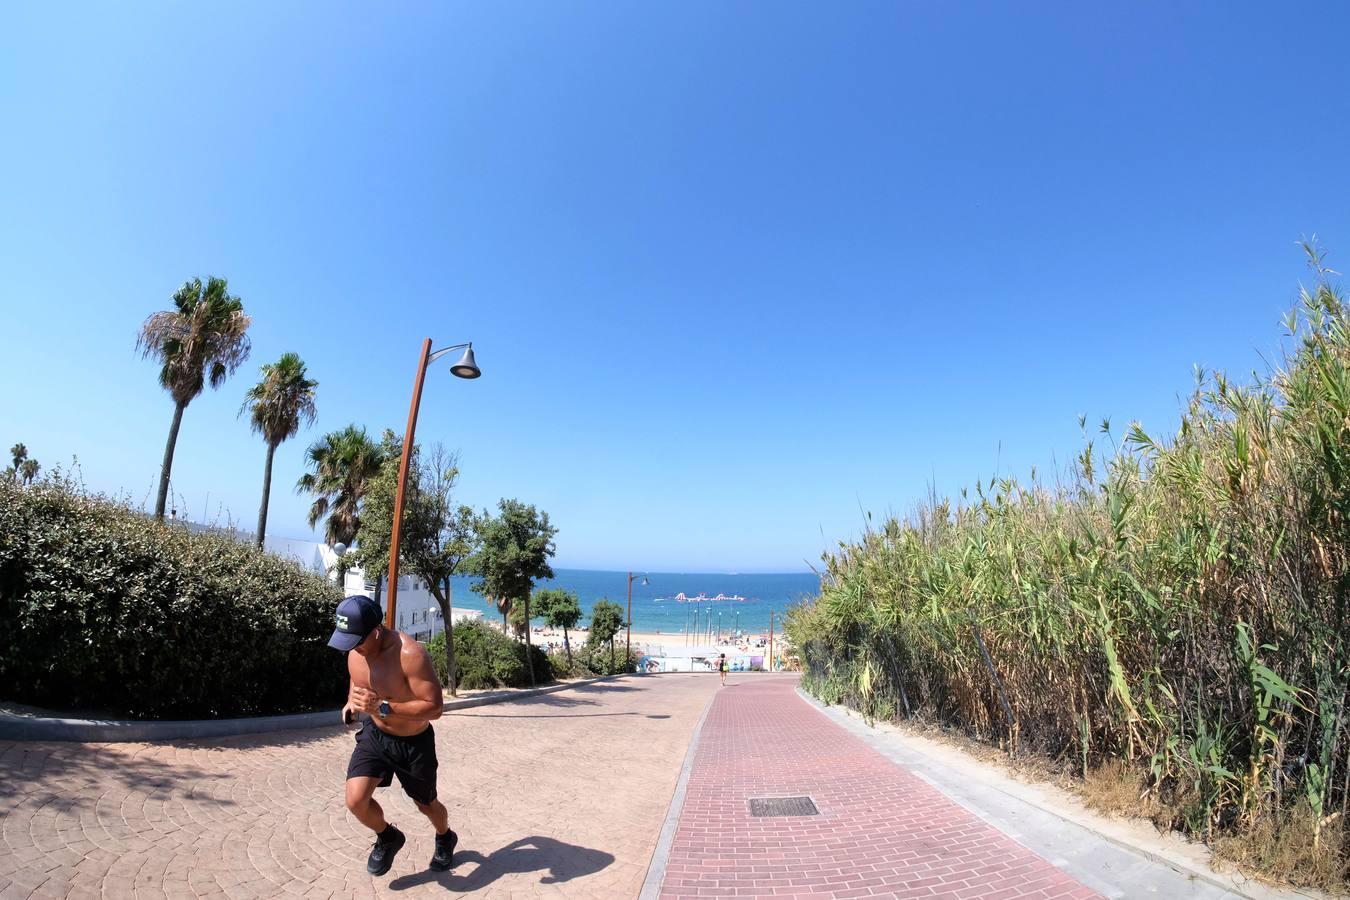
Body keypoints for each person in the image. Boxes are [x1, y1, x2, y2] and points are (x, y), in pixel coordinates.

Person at [329, 595, 456, 877]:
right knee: (356, 800)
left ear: (376, 631)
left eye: (356, 641)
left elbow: (434, 708)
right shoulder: (356, 651)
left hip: (414, 744)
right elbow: (358, 683)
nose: (352, 649)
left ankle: (445, 836)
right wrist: (351, 702)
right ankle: (388, 837)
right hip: (376, 736)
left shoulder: (411, 655)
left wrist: (383, 707)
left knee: (426, 805)